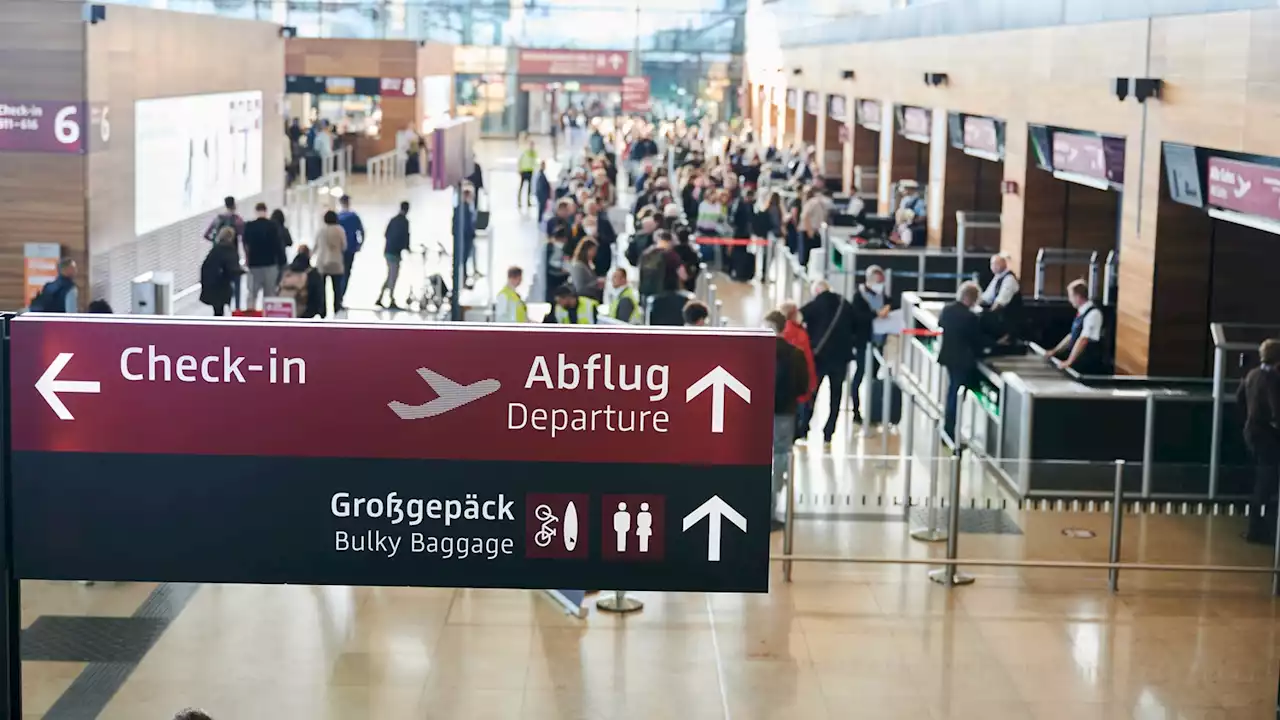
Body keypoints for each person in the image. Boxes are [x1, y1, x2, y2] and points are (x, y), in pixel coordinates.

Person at [764, 309, 811, 530]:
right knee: (780, 459)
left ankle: (756, 506)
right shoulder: (796, 354)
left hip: (758, 414)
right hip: (785, 413)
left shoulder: (756, 353)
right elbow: (803, 387)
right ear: (784, 328)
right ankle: (771, 509)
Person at [800, 280, 858, 447]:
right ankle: (828, 433)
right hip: (841, 358)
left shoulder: (815, 305)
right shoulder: (844, 304)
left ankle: (804, 428)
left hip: (819, 358)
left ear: (817, 291)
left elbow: (799, 319)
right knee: (836, 396)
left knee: (812, 393)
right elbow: (855, 325)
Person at [1236, 340, 1280, 544]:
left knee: (1263, 478)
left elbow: (1239, 398)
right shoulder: (1272, 379)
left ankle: (1257, 528)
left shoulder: (1252, 374)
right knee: (1266, 481)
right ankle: (1259, 529)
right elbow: (1276, 410)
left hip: (1251, 431)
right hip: (1266, 435)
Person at [937, 282, 984, 441]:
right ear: (970, 298)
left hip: (948, 357)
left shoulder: (947, 309)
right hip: (962, 361)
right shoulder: (970, 317)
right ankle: (949, 431)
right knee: (956, 395)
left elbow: (940, 324)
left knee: (952, 391)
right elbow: (976, 340)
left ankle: (948, 428)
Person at [849, 265, 892, 424]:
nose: (881, 285)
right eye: (879, 282)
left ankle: (873, 410)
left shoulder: (882, 296)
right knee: (859, 375)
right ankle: (856, 410)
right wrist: (875, 314)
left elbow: (888, 303)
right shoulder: (858, 297)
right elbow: (858, 318)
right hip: (863, 342)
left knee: (874, 376)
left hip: (878, 342)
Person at [1049, 279, 1106, 374]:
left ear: (1078, 297)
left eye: (1071, 296)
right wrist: (1055, 351)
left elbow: (1083, 340)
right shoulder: (1081, 313)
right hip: (1078, 360)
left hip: (1087, 363)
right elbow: (1072, 335)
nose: (1069, 300)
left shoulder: (1093, 314)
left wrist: (1069, 361)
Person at [780, 301, 818, 439]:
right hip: (799, 385)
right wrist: (812, 381)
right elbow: (807, 361)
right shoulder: (800, 334)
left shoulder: (782, 332)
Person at [242, 202, 286, 310]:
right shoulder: (273, 226)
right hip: (270, 264)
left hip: (254, 265)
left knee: (252, 294)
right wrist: (282, 263)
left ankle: (251, 319)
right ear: (266, 211)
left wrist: (247, 259)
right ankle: (268, 319)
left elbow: (246, 245)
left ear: (256, 211)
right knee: (270, 295)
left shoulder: (249, 226)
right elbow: (278, 246)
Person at [199, 227, 243, 317]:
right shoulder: (230, 250)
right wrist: (241, 271)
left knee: (218, 310)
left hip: (212, 284)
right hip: (222, 285)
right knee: (224, 306)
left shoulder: (215, 250)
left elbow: (205, 266)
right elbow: (232, 268)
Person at [980, 252, 1023, 343]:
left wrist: (988, 314)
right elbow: (987, 297)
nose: (993, 266)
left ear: (1004, 264)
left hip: (1008, 318)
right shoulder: (998, 278)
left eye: (996, 263)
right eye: (992, 264)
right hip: (1000, 315)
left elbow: (1001, 302)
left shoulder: (1009, 279)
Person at [314, 210, 347, 317]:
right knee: (336, 288)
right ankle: (336, 308)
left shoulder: (321, 230)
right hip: (336, 263)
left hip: (322, 263)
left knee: (321, 288)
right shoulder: (340, 230)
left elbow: (315, 246)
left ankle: (323, 310)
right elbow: (344, 246)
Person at [378, 201, 410, 309]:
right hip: (395, 253)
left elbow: (386, 234)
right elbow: (405, 237)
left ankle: (380, 297)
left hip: (388, 251)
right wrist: (406, 248)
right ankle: (391, 299)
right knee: (393, 276)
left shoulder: (393, 220)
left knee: (390, 275)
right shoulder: (404, 222)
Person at [278, 245, 325, 318]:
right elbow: (319, 294)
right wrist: (321, 312)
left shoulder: (286, 271)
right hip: (306, 312)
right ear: (309, 255)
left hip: (284, 309)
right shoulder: (313, 273)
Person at [638, 229, 686, 299]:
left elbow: (640, 273)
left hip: (646, 293)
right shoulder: (672, 256)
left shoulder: (646, 253)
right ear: (670, 241)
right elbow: (683, 275)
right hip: (665, 296)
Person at [335, 195, 364, 312]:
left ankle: (338, 299)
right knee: (346, 273)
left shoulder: (338, 217)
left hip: (339, 250)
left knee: (339, 275)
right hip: (351, 249)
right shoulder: (354, 216)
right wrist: (359, 245)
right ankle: (341, 298)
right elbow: (361, 231)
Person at [454, 185, 478, 286]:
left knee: (465, 258)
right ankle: (463, 278)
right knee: (464, 258)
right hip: (466, 237)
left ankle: (466, 275)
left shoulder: (462, 208)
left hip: (464, 237)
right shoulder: (465, 209)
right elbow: (466, 224)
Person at [517, 139, 538, 208]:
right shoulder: (525, 152)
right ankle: (519, 201)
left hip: (530, 171)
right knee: (521, 187)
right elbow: (520, 161)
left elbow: (536, 162)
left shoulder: (534, 153)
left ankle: (528, 201)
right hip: (524, 171)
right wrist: (519, 169)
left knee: (529, 188)